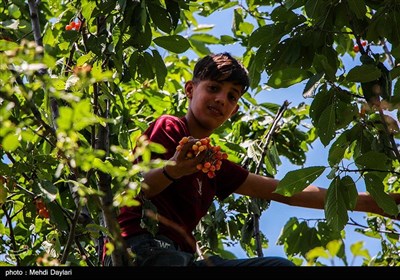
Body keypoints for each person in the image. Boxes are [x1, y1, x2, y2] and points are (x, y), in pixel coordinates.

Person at [103, 52, 400, 267]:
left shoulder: (212, 162)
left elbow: (287, 192)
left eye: (232, 97)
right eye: (214, 88)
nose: (222, 99)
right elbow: (132, 189)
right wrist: (172, 170)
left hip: (183, 258)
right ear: (191, 90)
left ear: (233, 111)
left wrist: (375, 203)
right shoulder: (170, 127)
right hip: (140, 247)